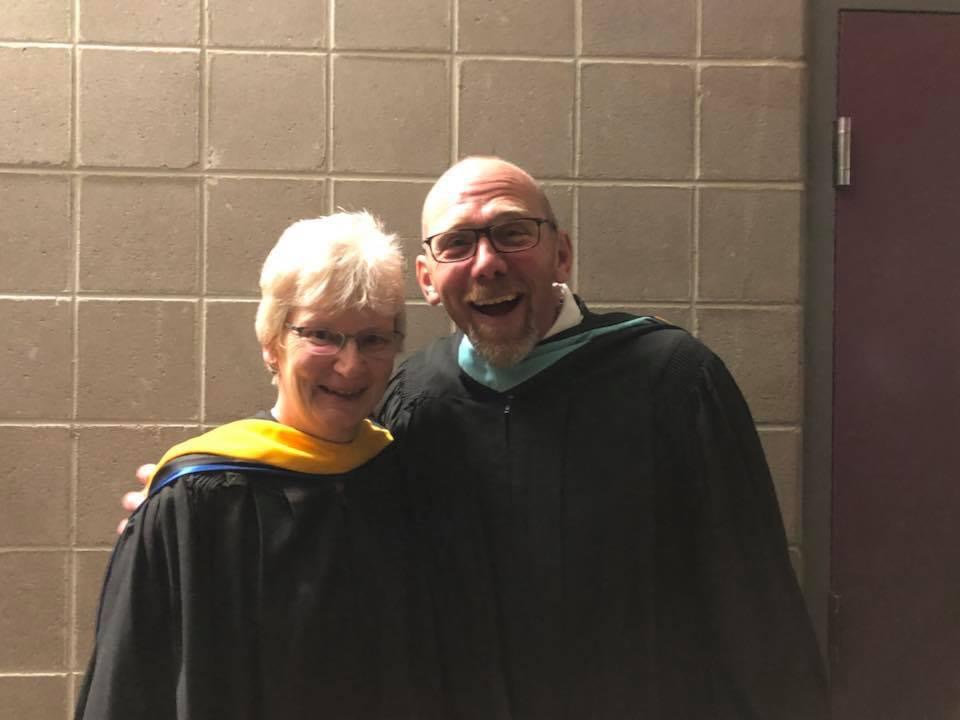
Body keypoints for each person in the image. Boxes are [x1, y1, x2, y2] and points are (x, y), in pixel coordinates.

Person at [124, 158, 829, 719]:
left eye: (513, 232)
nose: (487, 262)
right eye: (458, 243)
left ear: (562, 254)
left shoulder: (673, 381)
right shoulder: (416, 398)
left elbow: (753, 601)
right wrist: (195, 510)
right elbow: (333, 515)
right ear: (429, 281)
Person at [79, 212, 441, 720]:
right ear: (272, 343)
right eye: (321, 334)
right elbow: (133, 687)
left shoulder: (400, 479)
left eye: (373, 339)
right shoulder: (198, 498)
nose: (349, 365)